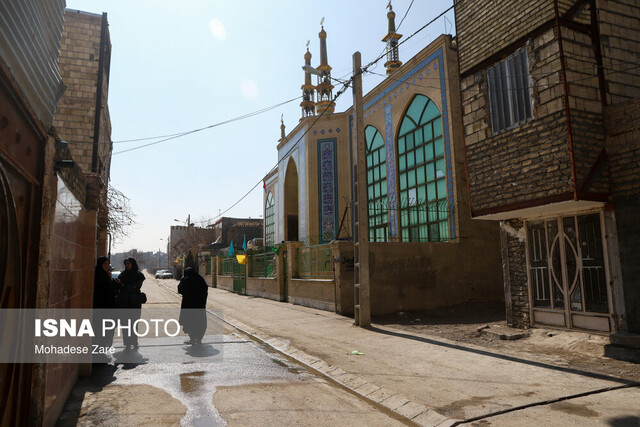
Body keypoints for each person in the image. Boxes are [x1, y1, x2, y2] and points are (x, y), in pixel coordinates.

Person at [116, 257, 145, 350]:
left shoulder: (139, 275)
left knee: (134, 323)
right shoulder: (123, 275)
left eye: (128, 264)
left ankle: (134, 341)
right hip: (124, 302)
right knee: (125, 324)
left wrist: (124, 285)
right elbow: (118, 286)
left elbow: (136, 287)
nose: (127, 266)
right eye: (126, 264)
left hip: (134, 302)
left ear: (133, 264)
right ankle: (127, 343)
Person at [93, 257, 119, 358]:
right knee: (101, 332)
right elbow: (109, 290)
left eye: (108, 264)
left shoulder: (106, 275)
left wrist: (111, 279)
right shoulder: (100, 276)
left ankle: (102, 352)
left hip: (107, 307)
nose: (107, 266)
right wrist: (113, 282)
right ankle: (99, 354)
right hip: (102, 307)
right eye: (105, 264)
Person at [178, 267, 208, 345]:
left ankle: (192, 338)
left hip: (188, 306)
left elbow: (180, 290)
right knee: (200, 322)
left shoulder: (186, 280)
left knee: (190, 322)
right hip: (199, 306)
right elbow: (205, 291)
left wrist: (182, 280)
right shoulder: (200, 279)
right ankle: (198, 339)